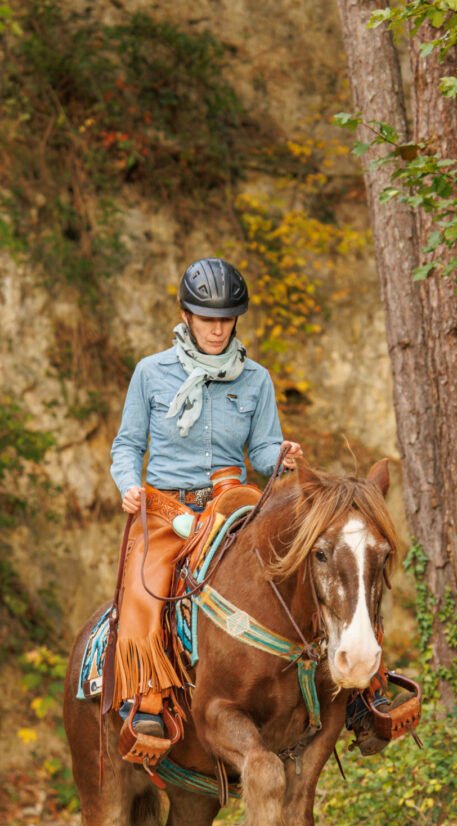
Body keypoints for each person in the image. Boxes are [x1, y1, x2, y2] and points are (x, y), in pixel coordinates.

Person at [109, 256, 302, 745]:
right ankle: (148, 695)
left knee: (303, 560)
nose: (217, 330)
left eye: (226, 319)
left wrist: (279, 454)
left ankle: (355, 685)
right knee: (146, 586)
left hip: (231, 503)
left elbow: (260, 450)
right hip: (166, 508)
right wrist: (129, 484)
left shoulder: (255, 379)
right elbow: (127, 445)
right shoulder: (151, 373)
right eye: (207, 318)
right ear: (187, 315)